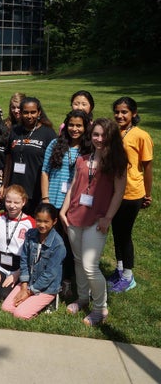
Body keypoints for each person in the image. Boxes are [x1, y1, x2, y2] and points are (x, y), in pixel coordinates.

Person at [60, 118, 127, 326]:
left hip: (97, 221)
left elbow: (119, 193)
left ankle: (100, 308)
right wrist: (63, 211)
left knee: (90, 265)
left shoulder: (116, 163)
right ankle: (82, 298)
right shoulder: (82, 159)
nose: (99, 139)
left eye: (103, 135)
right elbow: (73, 187)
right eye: (95, 134)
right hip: (74, 216)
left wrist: (108, 217)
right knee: (79, 261)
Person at [41, 110, 92, 287]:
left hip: (76, 204)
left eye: (79, 125)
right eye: (71, 124)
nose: (74, 129)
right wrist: (45, 199)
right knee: (52, 241)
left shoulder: (89, 149)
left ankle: (68, 278)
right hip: (53, 200)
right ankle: (49, 274)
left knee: (71, 244)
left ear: (86, 127)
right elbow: (45, 172)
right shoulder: (55, 144)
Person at [110, 97, 153, 293]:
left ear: (133, 114)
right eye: (117, 112)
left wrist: (148, 193)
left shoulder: (141, 135)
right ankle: (119, 269)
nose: (120, 115)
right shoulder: (114, 133)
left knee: (125, 234)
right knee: (116, 232)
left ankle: (128, 276)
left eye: (124, 112)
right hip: (113, 192)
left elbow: (147, 167)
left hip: (132, 192)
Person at [1, 203, 66, 320]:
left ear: (54, 221)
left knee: (20, 314)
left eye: (46, 221)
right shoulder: (30, 234)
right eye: (39, 221)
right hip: (28, 282)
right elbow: (24, 261)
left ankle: (50, 301)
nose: (42, 225)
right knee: (7, 308)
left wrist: (29, 292)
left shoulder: (58, 244)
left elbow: (50, 274)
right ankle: (31, 302)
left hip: (46, 287)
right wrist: (24, 286)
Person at [4, 97, 56, 214]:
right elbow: (8, 159)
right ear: (21, 113)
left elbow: (53, 163)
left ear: (39, 113)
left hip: (36, 190)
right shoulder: (15, 131)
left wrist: (46, 195)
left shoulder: (48, 133)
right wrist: (5, 184)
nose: (29, 116)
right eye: (26, 112)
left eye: (33, 112)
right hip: (16, 190)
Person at [0, 185, 35, 301]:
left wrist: (17, 274)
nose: (12, 206)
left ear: (24, 202)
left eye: (16, 202)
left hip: (19, 267)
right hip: (0, 265)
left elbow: (31, 255)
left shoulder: (31, 223)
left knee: (4, 295)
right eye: (8, 201)